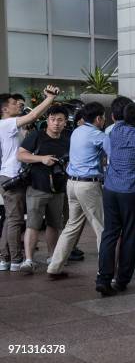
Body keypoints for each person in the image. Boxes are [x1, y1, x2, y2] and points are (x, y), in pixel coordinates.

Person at [96, 103, 135, 296]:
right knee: (130, 235)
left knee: (110, 233)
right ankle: (122, 280)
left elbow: (129, 120)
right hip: (132, 191)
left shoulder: (116, 130)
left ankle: (103, 278)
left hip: (110, 189)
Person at [0, 88, 58, 272]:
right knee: (15, 220)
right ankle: (16, 260)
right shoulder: (6, 123)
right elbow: (33, 115)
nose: (17, 104)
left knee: (11, 219)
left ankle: (5, 258)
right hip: (11, 176)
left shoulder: (9, 125)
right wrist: (49, 98)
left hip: (11, 175)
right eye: (12, 103)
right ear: (4, 109)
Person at [47, 102, 106, 279]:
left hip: (71, 184)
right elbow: (114, 152)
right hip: (88, 185)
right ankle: (105, 272)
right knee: (102, 228)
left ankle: (54, 267)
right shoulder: (97, 134)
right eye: (103, 117)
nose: (103, 120)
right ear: (98, 118)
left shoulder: (77, 131)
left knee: (71, 226)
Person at [18, 104, 71, 274]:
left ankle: (51, 257)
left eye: (60, 120)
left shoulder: (68, 138)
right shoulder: (36, 136)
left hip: (58, 187)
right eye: (53, 119)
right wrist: (42, 159)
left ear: (65, 122)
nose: (56, 123)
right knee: (33, 224)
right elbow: (21, 155)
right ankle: (28, 260)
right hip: (37, 186)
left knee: (54, 224)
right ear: (47, 120)